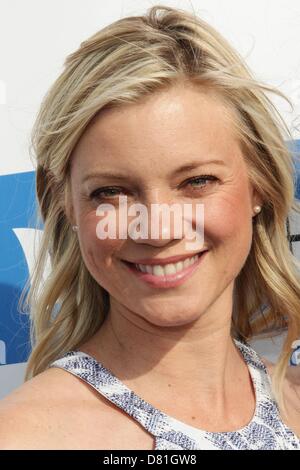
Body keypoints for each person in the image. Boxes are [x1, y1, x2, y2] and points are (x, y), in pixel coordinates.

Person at [0, 5, 300, 450]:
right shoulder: (27, 437)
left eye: (197, 181)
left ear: (260, 185)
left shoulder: (294, 398)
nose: (158, 229)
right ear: (64, 203)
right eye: (111, 192)